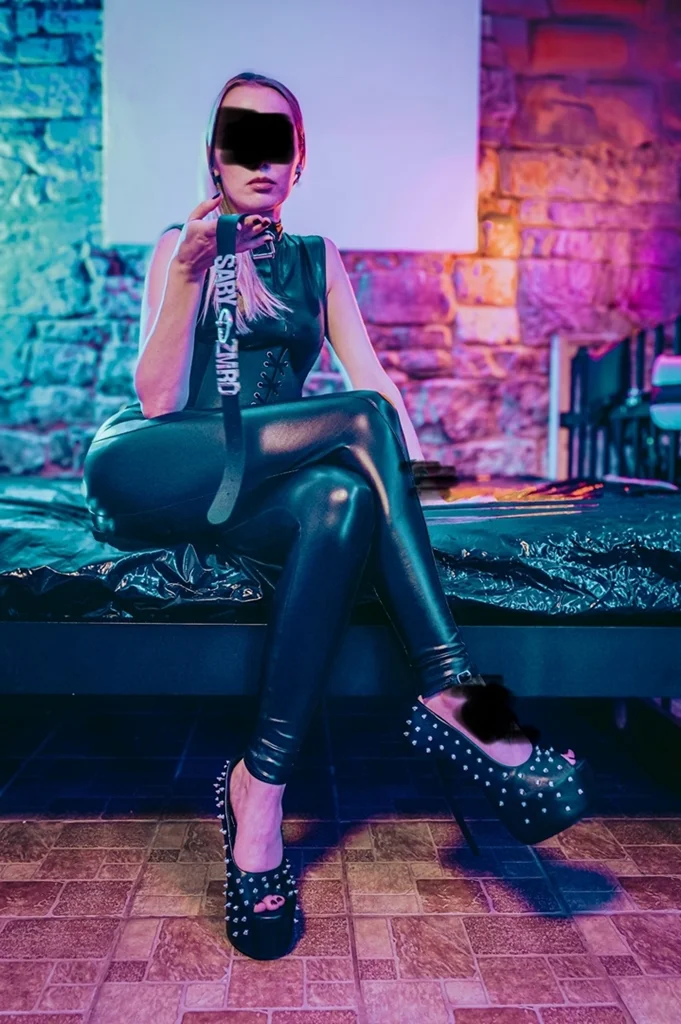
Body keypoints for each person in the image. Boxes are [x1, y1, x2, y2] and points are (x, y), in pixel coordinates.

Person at [82, 71, 592, 960]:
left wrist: (410, 482)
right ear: (213, 156)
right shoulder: (179, 245)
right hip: (155, 464)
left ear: (299, 159)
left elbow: (372, 382)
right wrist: (193, 273)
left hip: (254, 488)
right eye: (240, 139)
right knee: (356, 426)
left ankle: (258, 790)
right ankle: (452, 688)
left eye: (276, 141)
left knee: (343, 496)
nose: (259, 159)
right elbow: (159, 398)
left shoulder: (317, 258)